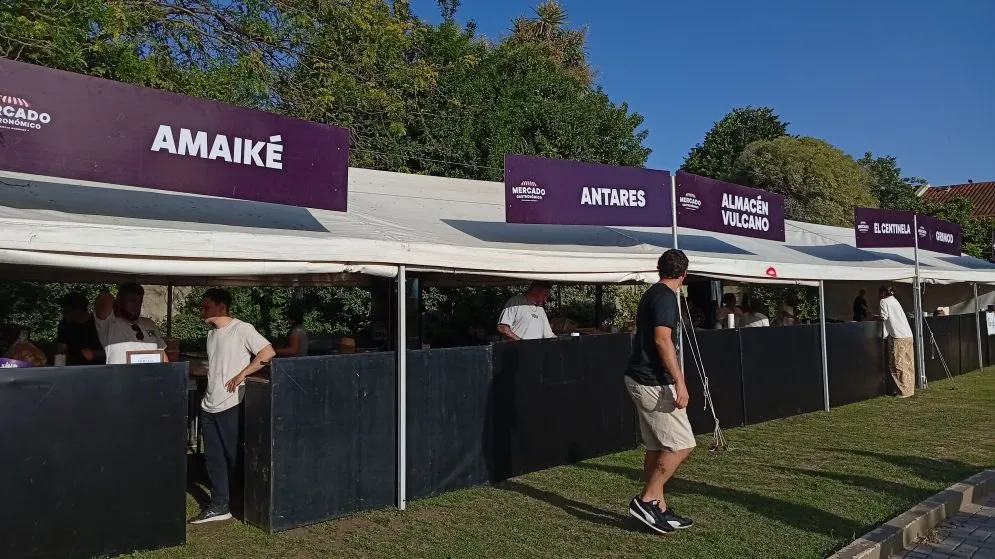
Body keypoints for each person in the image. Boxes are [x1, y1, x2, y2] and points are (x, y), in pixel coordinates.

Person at [625, 249, 696, 535]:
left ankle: (659, 506)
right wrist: (680, 381)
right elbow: (662, 340)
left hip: (641, 377)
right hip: (652, 380)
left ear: (659, 269)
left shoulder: (652, 293)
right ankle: (646, 501)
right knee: (681, 445)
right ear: (684, 274)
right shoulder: (666, 297)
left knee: (657, 447)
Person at [190, 288, 275, 524]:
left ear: (221, 306)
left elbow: (268, 352)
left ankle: (250, 502)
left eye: (206, 305)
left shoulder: (242, 329)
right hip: (209, 404)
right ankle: (220, 505)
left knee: (234, 456)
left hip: (231, 403)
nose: (201, 309)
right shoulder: (211, 334)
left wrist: (242, 375)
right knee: (213, 458)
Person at [94, 283, 167, 365]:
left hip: (151, 373)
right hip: (121, 373)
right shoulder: (110, 323)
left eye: (140, 301)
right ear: (119, 301)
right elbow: (104, 298)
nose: (137, 306)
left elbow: (162, 354)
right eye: (132, 301)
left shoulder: (149, 323)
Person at [877, 286, 915, 398]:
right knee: (908, 363)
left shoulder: (883, 301)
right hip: (908, 334)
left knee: (897, 364)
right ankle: (909, 390)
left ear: (883, 293)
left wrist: (874, 317)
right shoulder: (894, 300)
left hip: (897, 336)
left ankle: (903, 391)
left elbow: (884, 317)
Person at [56, 292, 105, 366]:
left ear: (78, 310)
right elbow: (61, 350)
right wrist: (59, 367)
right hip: (75, 368)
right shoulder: (64, 324)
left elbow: (113, 351)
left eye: (66, 311)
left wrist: (94, 353)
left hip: (101, 367)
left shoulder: (99, 323)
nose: (64, 314)